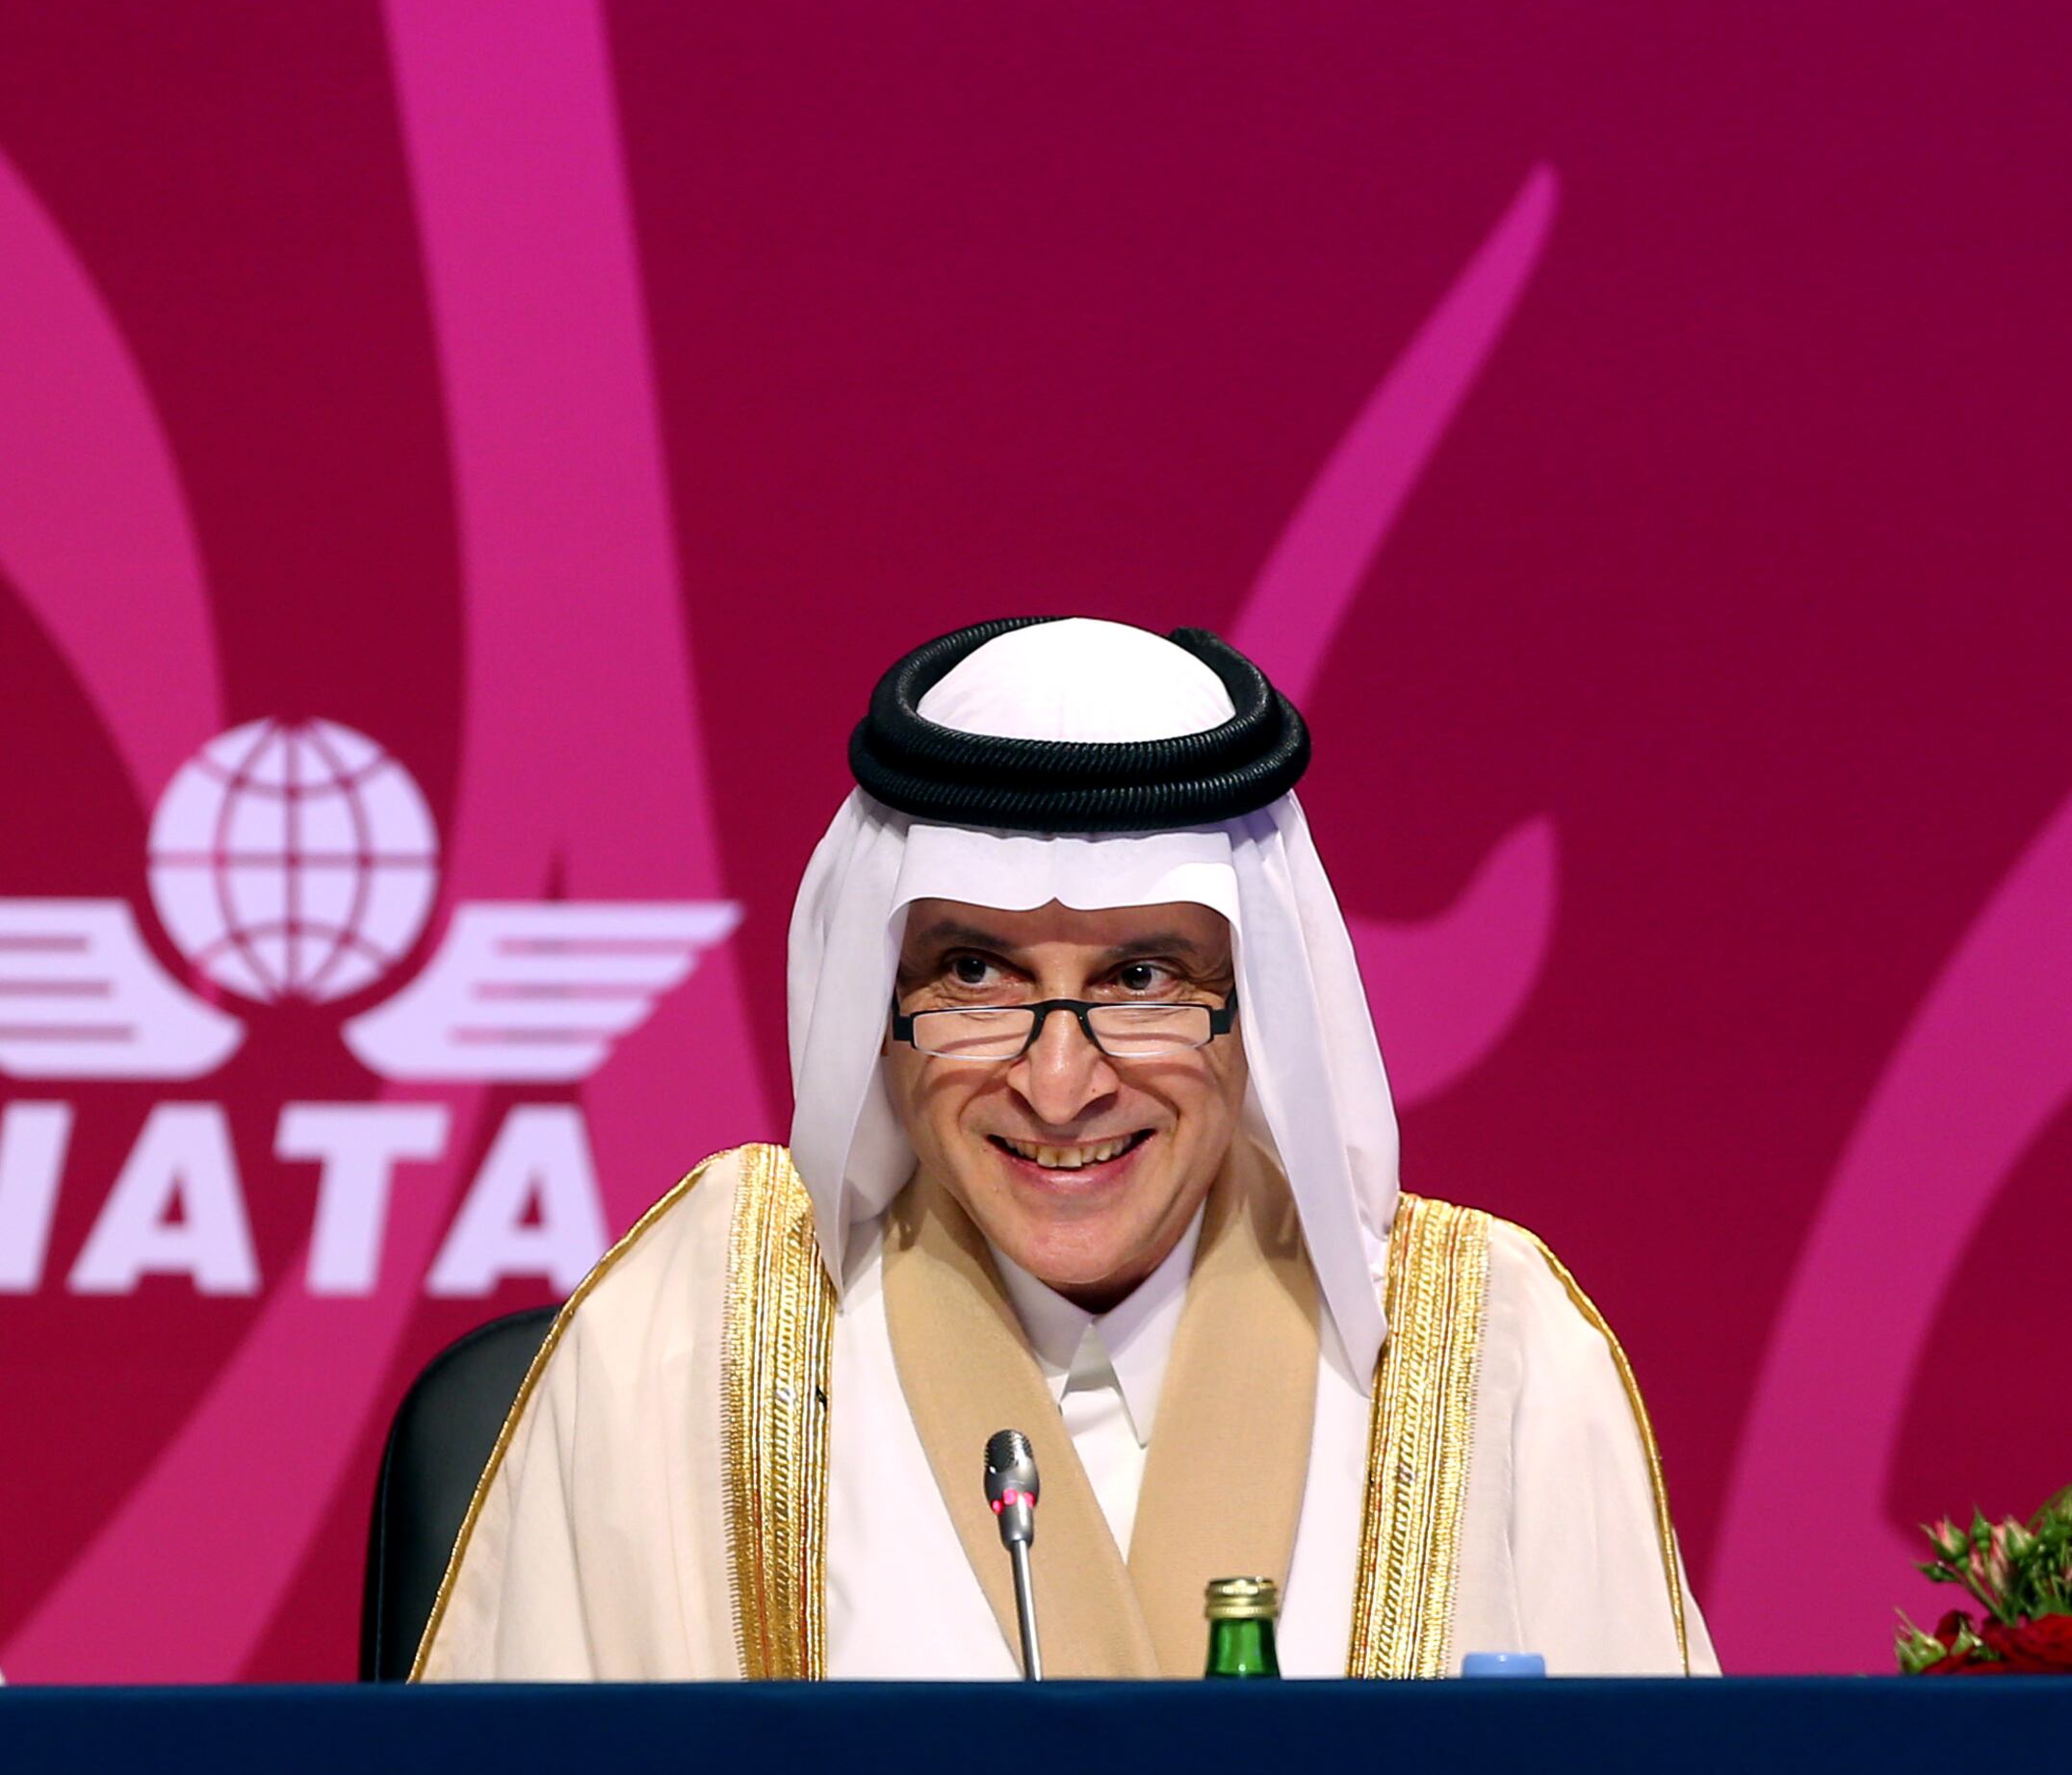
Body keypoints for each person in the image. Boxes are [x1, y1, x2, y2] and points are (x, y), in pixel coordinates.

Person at [419, 617, 1713, 1679]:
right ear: (880, 1009)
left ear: (1258, 1008)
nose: (1056, 1083)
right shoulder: (694, 1345)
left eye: (1143, 977)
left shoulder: (1489, 1356)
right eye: (973, 973)